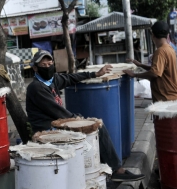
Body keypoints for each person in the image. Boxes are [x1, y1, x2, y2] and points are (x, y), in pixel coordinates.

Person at [26, 50, 144, 182]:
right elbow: (57, 112)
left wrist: (95, 74)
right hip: (46, 129)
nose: (48, 67)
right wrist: (79, 121)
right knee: (96, 127)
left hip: (58, 123)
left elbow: (71, 78)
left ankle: (109, 170)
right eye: (44, 65)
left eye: (50, 63)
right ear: (35, 68)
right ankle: (116, 170)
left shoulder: (51, 80)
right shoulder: (36, 87)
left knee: (95, 127)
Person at [123, 21, 177, 103]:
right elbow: (159, 69)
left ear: (153, 35)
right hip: (172, 97)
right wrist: (140, 65)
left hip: (167, 99)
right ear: (167, 35)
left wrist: (134, 75)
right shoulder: (169, 49)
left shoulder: (160, 51)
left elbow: (155, 73)